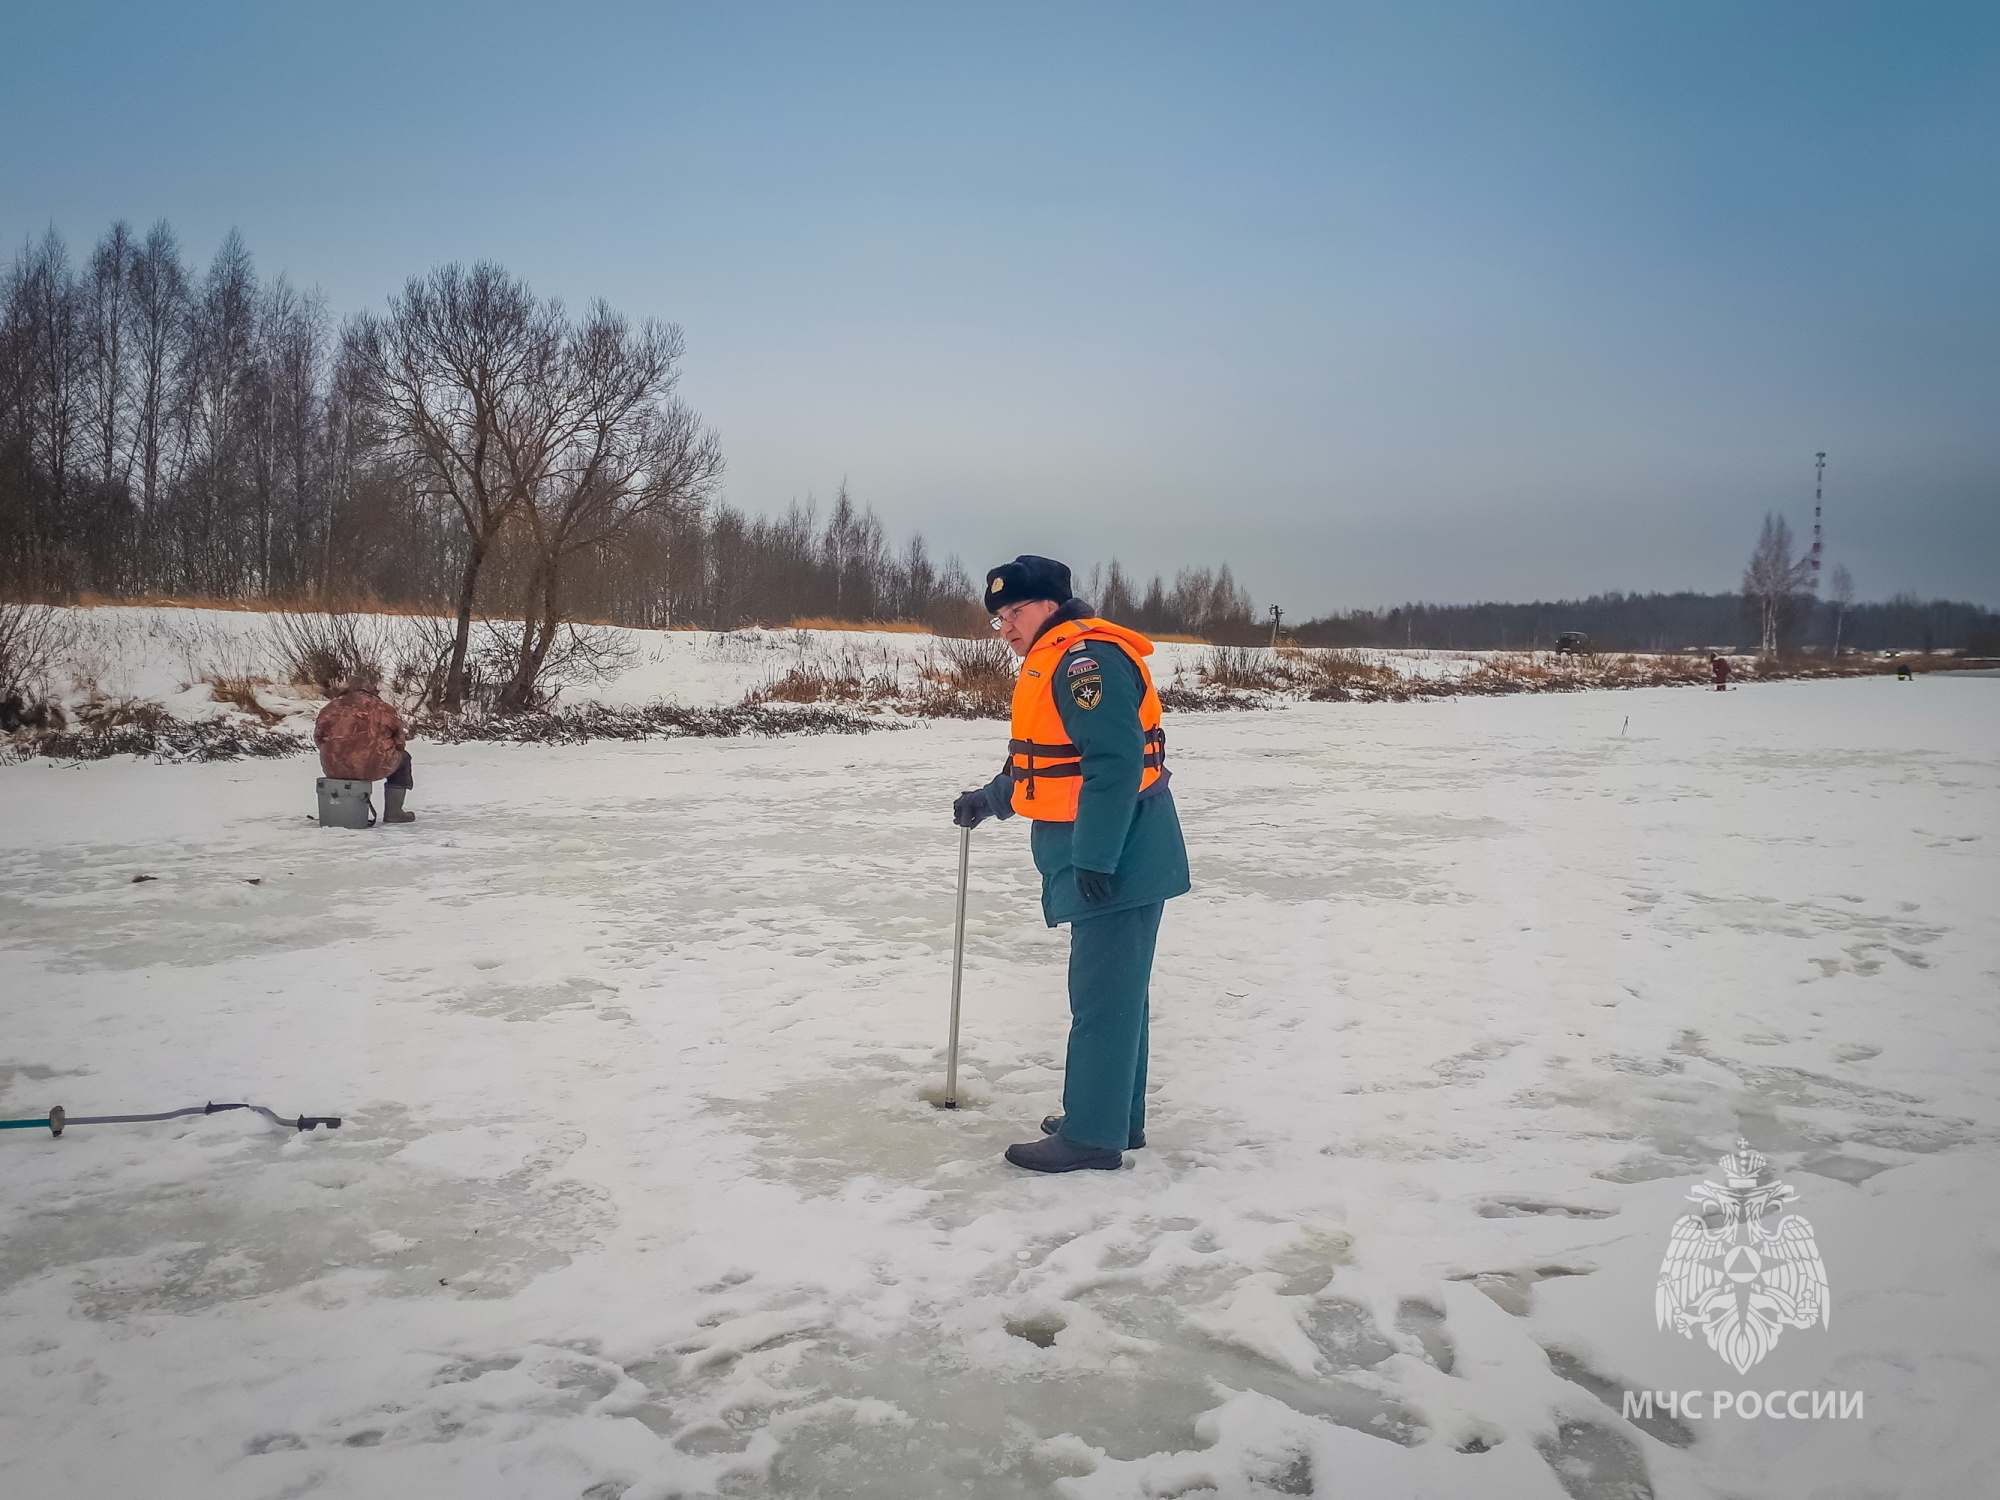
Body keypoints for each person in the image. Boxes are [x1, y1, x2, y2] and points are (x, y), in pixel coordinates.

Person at [952, 555, 1191, 1173]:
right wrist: (991, 798)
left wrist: (1095, 858)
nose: (1005, 627)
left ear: (1052, 605)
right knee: (1117, 995)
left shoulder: (1086, 661)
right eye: (999, 617)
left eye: (1017, 611)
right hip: (1113, 853)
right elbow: (1046, 760)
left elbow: (1112, 760)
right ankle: (1112, 1115)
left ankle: (1092, 1134)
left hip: (1119, 856)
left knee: (1102, 999)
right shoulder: (1053, 659)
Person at [313, 676, 416, 823]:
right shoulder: (384, 708)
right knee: (404, 759)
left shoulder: (330, 709)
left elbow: (318, 738)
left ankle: (343, 811)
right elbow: (399, 741)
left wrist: (337, 753)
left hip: (335, 769)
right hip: (375, 765)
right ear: (370, 690)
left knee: (341, 762)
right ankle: (394, 812)